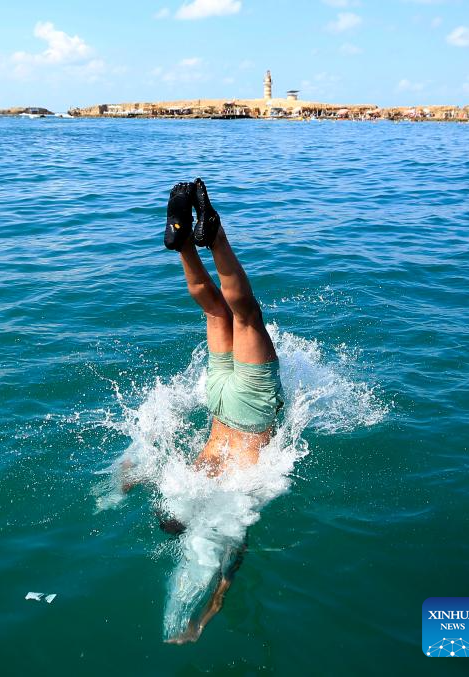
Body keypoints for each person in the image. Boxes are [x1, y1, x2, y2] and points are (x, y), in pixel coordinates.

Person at [153, 178, 284, 643]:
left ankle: (215, 235)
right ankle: (187, 243)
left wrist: (200, 622)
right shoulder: (187, 472)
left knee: (246, 314)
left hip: (249, 413)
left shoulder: (232, 497)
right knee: (218, 314)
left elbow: (229, 574)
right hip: (218, 400)